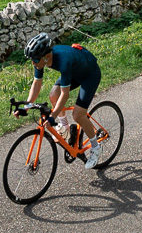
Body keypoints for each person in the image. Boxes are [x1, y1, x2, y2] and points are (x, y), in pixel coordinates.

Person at [17, 32, 105, 169]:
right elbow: (37, 84)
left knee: (78, 114)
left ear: (46, 57)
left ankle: (96, 146)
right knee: (53, 94)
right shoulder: (41, 61)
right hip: (75, 73)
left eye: (34, 59)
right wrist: (26, 107)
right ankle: (65, 128)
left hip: (90, 75)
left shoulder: (64, 61)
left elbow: (65, 95)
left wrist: (52, 116)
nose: (33, 63)